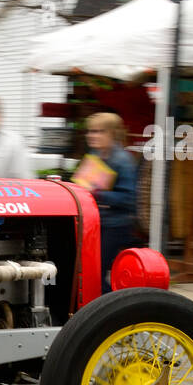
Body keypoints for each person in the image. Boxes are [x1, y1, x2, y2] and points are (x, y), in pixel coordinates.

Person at [81, 112, 138, 294]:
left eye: (98, 132)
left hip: (116, 226)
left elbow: (129, 198)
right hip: (98, 223)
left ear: (111, 134)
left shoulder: (123, 161)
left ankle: (112, 307)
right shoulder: (95, 155)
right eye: (90, 131)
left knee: (96, 273)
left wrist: (99, 194)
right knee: (89, 271)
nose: (92, 135)